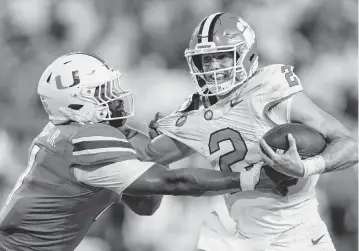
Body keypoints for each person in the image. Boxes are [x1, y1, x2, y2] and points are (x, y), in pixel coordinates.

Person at [123, 12, 358, 251]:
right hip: (246, 240)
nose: (214, 66)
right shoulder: (197, 113)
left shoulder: (267, 91)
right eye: (206, 59)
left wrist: (306, 167)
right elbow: (149, 156)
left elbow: (350, 144)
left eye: (223, 56)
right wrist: (111, 128)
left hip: (300, 240)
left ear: (246, 55)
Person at [0, 52, 271, 251]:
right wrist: (252, 178)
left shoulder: (79, 132)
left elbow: (146, 203)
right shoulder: (82, 139)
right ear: (75, 105)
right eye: (102, 91)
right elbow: (173, 182)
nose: (115, 95)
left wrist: (184, 130)